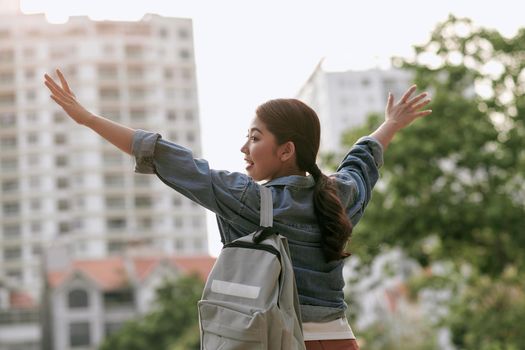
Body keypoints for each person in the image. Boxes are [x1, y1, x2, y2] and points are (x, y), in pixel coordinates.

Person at [44, 69, 432, 350]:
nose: (244, 148)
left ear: (286, 150)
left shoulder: (248, 199)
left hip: (271, 340)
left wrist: (88, 118)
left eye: (255, 138)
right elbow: (361, 162)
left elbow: (169, 158)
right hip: (339, 340)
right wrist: (390, 125)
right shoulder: (338, 195)